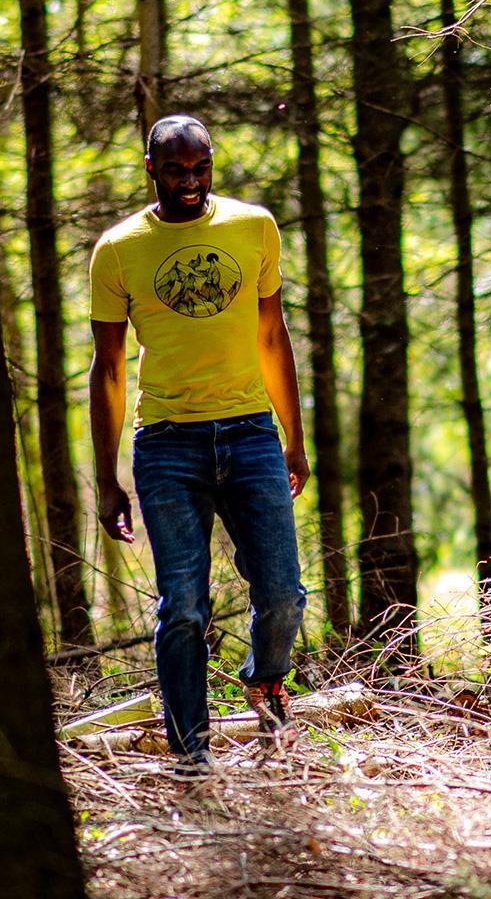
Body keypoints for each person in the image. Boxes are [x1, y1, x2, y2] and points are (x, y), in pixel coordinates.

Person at [88, 114, 309, 775]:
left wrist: (293, 439)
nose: (190, 181)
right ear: (151, 168)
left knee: (284, 595)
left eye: (201, 167)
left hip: (250, 435)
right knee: (182, 606)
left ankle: (266, 680)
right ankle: (192, 757)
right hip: (166, 446)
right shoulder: (120, 248)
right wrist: (107, 478)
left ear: (212, 165)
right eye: (176, 169)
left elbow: (273, 337)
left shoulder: (253, 227)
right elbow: (108, 369)